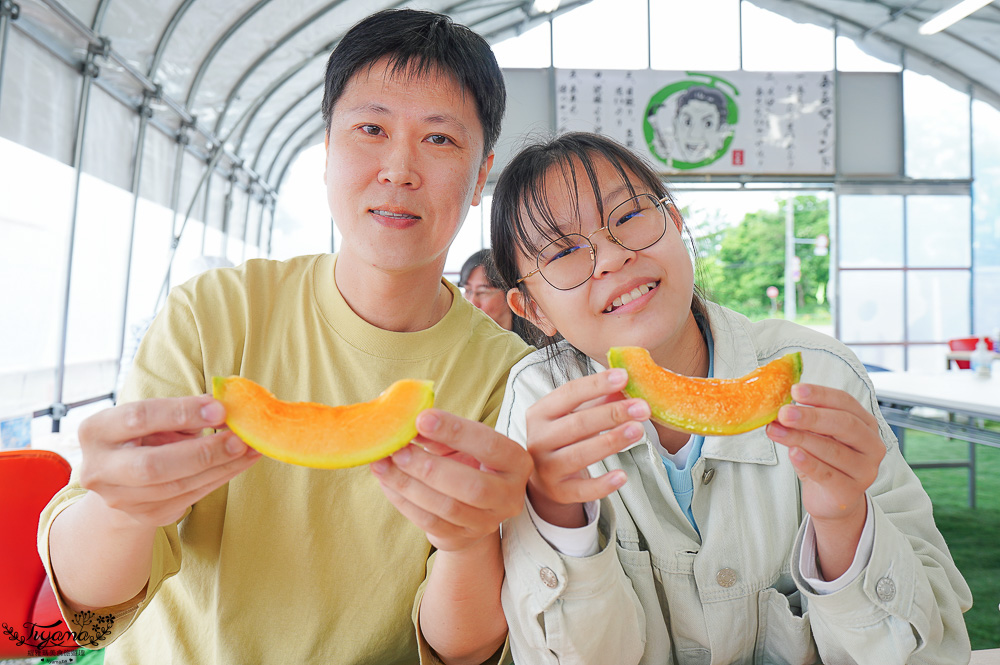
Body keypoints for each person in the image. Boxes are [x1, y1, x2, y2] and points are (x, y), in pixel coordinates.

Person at [37, 10, 533, 664]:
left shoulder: (510, 377)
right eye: (371, 129)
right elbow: (92, 606)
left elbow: (463, 652)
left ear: (480, 175)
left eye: (439, 139)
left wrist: (469, 544)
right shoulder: (213, 315)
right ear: (327, 150)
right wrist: (123, 507)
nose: (399, 169)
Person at [489, 132, 972, 663]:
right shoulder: (539, 405)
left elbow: (934, 651)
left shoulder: (818, 375)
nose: (611, 257)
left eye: (629, 216)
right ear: (532, 308)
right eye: (562, 251)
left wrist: (843, 521)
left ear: (676, 223)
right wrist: (559, 516)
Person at [458, 249, 531, 343]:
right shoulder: (464, 340)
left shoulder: (533, 340)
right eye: (468, 291)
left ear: (509, 293)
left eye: (482, 292)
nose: (472, 302)